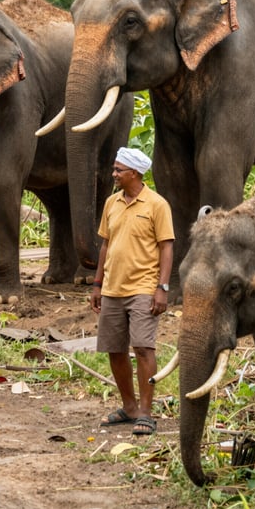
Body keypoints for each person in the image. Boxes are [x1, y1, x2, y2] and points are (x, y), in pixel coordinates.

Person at [90, 147, 174, 436]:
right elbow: (105, 245)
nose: (113, 174)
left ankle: (147, 412)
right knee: (114, 348)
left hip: (143, 287)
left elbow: (166, 247)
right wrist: (97, 284)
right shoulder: (111, 203)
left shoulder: (157, 205)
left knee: (142, 348)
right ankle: (129, 407)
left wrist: (162, 288)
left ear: (135, 174)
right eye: (114, 169)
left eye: (118, 170)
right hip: (112, 287)